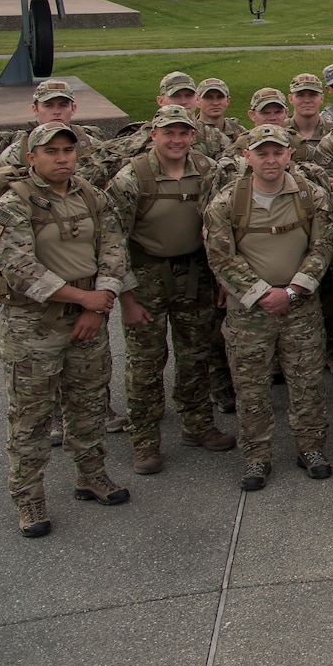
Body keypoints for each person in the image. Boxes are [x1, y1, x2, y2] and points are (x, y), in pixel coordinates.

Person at [0, 122, 132, 536]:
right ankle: (29, 496)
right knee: (31, 416)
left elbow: (114, 249)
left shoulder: (92, 197)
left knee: (87, 404)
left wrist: (99, 304)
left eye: (67, 150)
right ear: (31, 157)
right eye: (51, 151)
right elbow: (18, 269)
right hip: (33, 327)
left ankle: (91, 474)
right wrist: (81, 299)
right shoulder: (12, 206)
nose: (62, 157)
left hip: (89, 320)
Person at [203, 124, 333, 493]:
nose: (271, 159)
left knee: (307, 383)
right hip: (249, 315)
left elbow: (322, 248)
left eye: (278, 152)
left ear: (289, 155)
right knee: (251, 388)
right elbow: (221, 257)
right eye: (262, 153)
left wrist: (292, 291)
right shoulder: (226, 203)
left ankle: (311, 448)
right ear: (247, 157)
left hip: (301, 308)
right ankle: (256, 455)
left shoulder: (312, 197)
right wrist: (263, 294)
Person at [105, 105, 232, 476]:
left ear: (192, 135)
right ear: (154, 135)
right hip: (147, 276)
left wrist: (222, 280)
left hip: (195, 273)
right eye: (168, 132)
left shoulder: (207, 170)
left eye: (183, 133)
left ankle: (197, 426)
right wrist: (125, 298)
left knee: (196, 354)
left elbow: (219, 228)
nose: (176, 140)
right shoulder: (133, 178)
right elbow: (113, 241)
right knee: (145, 362)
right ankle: (144, 441)